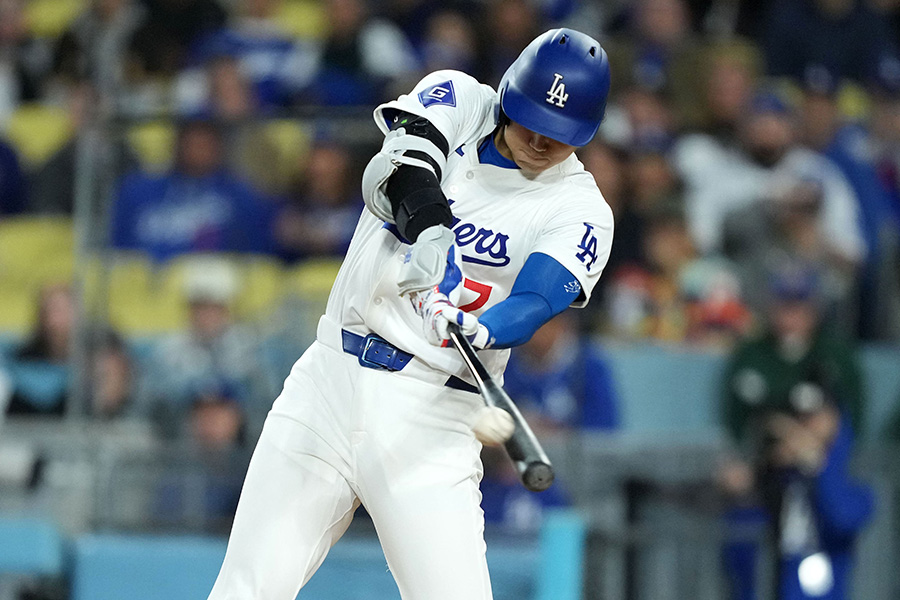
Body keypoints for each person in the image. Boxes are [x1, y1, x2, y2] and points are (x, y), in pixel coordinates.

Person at [208, 28, 613, 599]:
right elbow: (397, 170)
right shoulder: (460, 99)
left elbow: (538, 299)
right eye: (531, 122)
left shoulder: (580, 208)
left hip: (434, 409)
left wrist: (486, 326)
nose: (542, 142)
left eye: (560, 135)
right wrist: (431, 231)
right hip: (331, 378)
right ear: (508, 96)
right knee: (246, 588)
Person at [718, 262, 873, 600]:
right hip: (766, 492)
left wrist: (807, 450)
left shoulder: (833, 357)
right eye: (783, 304)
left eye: (799, 305)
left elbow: (843, 512)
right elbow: (736, 430)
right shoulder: (752, 354)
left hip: (812, 509)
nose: (790, 315)